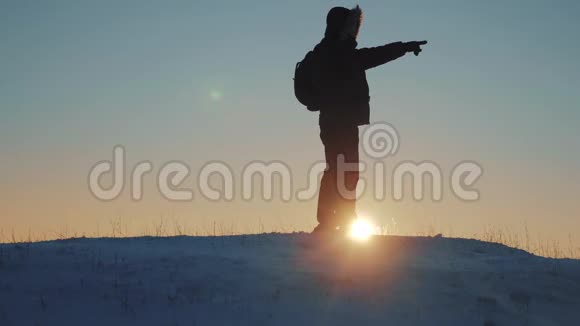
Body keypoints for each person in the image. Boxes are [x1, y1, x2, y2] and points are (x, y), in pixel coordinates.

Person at [311, 5, 427, 233]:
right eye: (351, 26)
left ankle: (332, 220)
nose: (354, 30)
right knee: (344, 169)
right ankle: (337, 220)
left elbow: (372, 55)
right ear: (342, 27)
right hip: (339, 122)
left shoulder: (325, 51)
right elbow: (373, 56)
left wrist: (403, 48)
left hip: (334, 121)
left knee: (337, 169)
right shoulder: (338, 52)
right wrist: (403, 48)